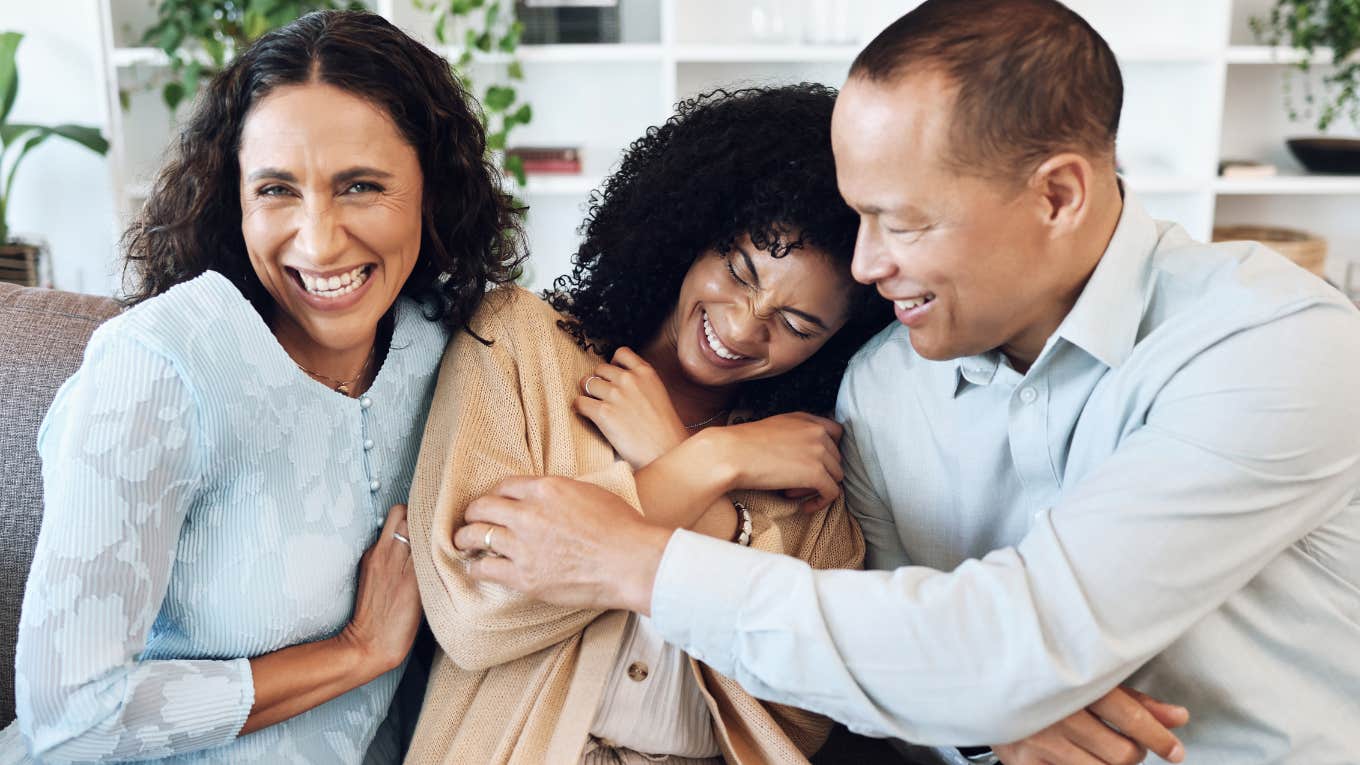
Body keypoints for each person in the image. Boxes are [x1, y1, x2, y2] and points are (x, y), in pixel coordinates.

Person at [448, 1, 1360, 764]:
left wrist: (631, 555)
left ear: (1058, 196)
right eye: (857, 215)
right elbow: (884, 653)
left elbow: (1001, 643)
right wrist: (988, 718)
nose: (868, 263)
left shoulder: (1273, 344)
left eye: (901, 220)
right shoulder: (885, 387)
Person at [4, 11, 522, 763]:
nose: (317, 240)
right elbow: (69, 713)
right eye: (278, 189)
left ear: (431, 190)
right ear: (234, 197)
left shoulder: (449, 349)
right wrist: (357, 650)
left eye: (361, 186)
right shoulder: (156, 366)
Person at [403, 84, 888, 765]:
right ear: (693, 231)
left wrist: (693, 473)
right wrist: (709, 462)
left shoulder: (805, 457)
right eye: (739, 270)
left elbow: (805, 710)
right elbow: (474, 612)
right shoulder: (520, 342)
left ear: (833, 345)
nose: (745, 326)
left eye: (797, 324)